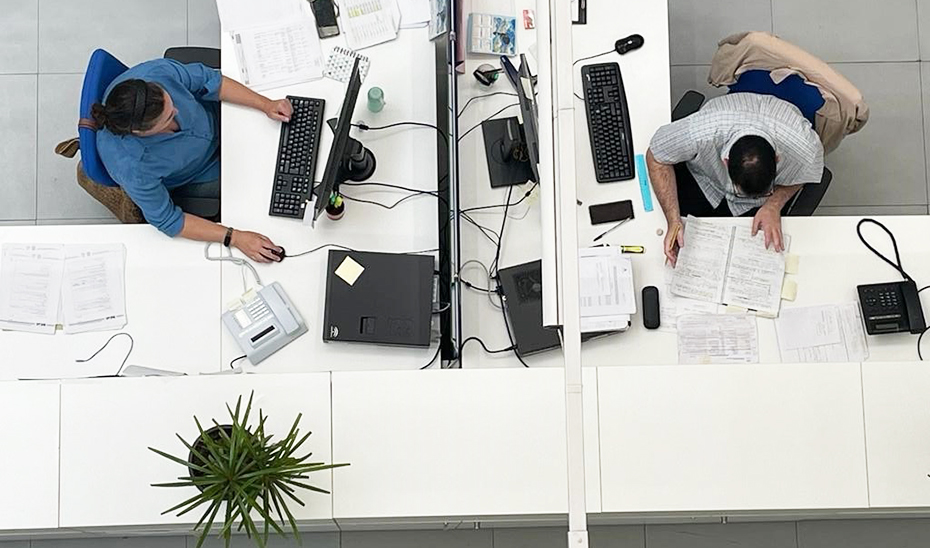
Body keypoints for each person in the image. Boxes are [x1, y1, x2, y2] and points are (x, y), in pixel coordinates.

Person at [91, 58, 292, 263]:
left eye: (172, 103)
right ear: (140, 132)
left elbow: (211, 80)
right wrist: (235, 237)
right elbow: (170, 220)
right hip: (200, 172)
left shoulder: (156, 73)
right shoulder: (132, 166)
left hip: (218, 118)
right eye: (168, 118)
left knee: (281, 146)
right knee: (266, 185)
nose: (177, 112)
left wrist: (266, 104)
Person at [646, 93, 824, 266]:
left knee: (753, 258)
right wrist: (673, 221)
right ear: (725, 160)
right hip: (704, 180)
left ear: (777, 159)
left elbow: (802, 176)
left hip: (760, 206)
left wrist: (773, 204)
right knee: (664, 238)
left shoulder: (805, 149)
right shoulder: (702, 131)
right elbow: (656, 156)